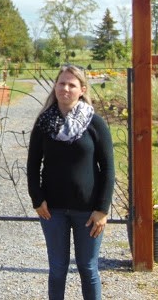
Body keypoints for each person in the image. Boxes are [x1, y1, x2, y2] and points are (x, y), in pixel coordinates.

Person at [26, 64, 115, 300]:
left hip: (88, 211)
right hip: (52, 210)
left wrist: (102, 209)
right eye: (61, 83)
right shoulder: (43, 124)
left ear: (82, 90)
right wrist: (37, 199)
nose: (65, 88)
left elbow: (108, 169)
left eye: (71, 85)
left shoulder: (95, 123)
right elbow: (33, 165)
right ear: (55, 86)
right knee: (57, 269)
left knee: (88, 268)